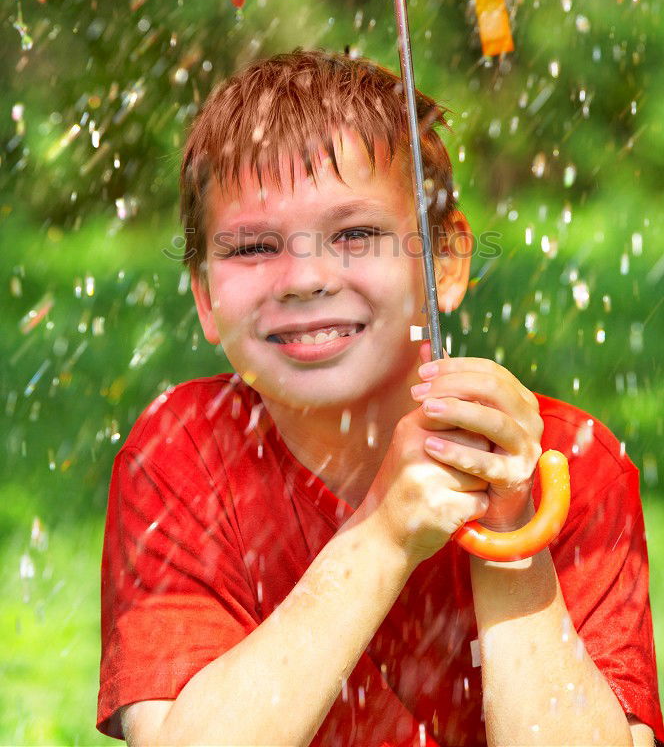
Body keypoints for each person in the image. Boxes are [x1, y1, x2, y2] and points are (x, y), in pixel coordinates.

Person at [97, 49, 663, 746]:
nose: (304, 276)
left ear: (446, 262)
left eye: (356, 233)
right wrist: (385, 534)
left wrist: (513, 535)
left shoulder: (564, 465)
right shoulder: (181, 452)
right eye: (251, 247)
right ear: (207, 298)